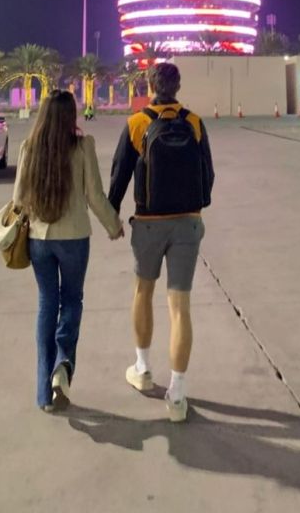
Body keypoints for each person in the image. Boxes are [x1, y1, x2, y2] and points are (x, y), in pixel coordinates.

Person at [108, 62, 214, 423]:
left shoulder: (137, 123)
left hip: (149, 222)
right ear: (178, 86)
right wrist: (195, 208)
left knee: (143, 292)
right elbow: (208, 175)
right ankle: (178, 395)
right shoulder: (194, 122)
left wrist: (112, 217)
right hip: (187, 222)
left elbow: (119, 175)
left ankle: (142, 368)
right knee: (180, 307)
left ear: (150, 86)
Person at [13, 90, 123, 412]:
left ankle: (43, 393)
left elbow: (18, 199)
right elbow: (95, 196)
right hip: (74, 238)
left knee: (47, 303)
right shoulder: (83, 146)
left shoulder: (29, 147)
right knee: (72, 300)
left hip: (39, 239)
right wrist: (113, 225)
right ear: (71, 115)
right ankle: (62, 366)